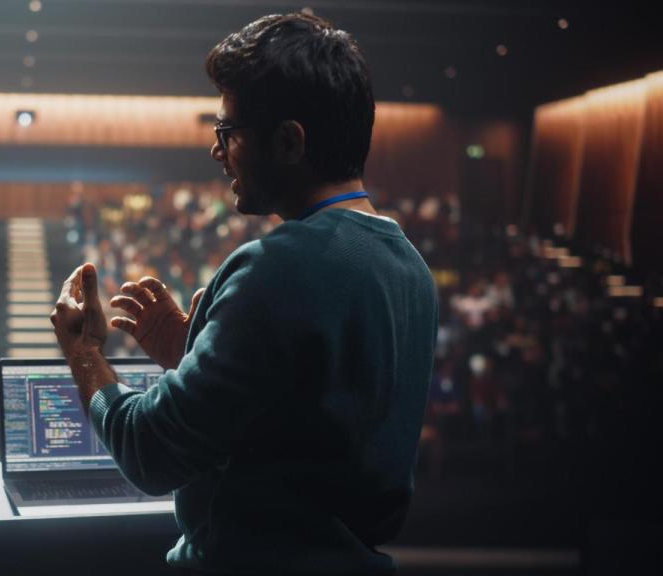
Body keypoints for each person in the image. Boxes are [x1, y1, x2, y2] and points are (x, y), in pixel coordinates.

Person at [50, 13, 438, 575]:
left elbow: (150, 452)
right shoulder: (412, 272)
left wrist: (84, 353)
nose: (216, 152)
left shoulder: (275, 267)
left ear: (288, 141)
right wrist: (193, 357)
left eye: (227, 133)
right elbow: (304, 433)